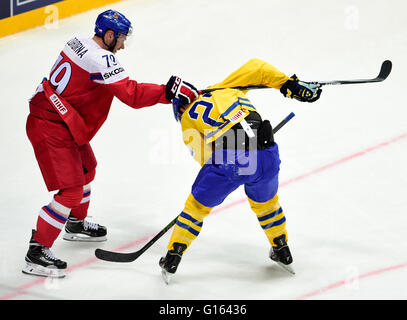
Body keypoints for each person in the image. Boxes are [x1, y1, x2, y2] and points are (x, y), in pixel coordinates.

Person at [23, 9, 199, 278]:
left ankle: (75, 223)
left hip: (59, 117)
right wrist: (168, 91)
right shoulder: (101, 59)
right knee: (70, 190)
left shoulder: (78, 41)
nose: (123, 45)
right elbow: (132, 94)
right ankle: (36, 252)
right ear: (107, 34)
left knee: (86, 170)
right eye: (120, 39)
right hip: (51, 125)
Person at [159, 58, 322, 283]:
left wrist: (219, 181)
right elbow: (257, 67)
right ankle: (282, 249)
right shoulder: (225, 88)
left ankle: (173, 256)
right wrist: (289, 85)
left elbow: (206, 160)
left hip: (231, 159)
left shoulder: (188, 119)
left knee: (196, 207)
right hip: (267, 152)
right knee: (267, 204)